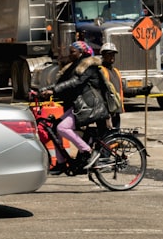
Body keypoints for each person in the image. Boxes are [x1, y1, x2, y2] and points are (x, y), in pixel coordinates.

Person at [40, 40, 110, 173]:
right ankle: (61, 163)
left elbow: (75, 82)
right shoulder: (74, 66)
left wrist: (53, 91)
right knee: (55, 128)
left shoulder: (88, 66)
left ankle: (87, 151)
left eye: (73, 52)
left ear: (81, 52)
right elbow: (62, 83)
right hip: (78, 105)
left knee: (62, 127)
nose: (70, 54)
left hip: (89, 106)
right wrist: (42, 90)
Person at [99, 42, 125, 129]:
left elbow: (121, 89)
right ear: (103, 55)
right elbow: (101, 92)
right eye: (109, 54)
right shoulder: (101, 70)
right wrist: (106, 114)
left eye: (113, 54)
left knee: (116, 137)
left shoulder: (116, 71)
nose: (112, 57)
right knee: (106, 138)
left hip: (116, 111)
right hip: (106, 112)